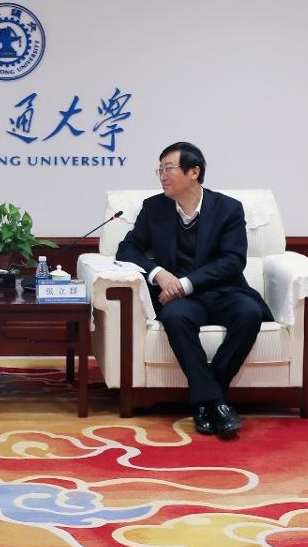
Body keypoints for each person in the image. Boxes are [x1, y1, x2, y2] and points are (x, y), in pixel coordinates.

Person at [116, 141, 272, 439]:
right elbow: (128, 249)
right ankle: (217, 404)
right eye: (159, 170)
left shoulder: (228, 208)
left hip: (224, 291)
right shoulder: (154, 208)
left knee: (250, 313)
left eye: (168, 169)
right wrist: (159, 274)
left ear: (194, 172)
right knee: (175, 317)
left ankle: (206, 401)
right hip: (181, 301)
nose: (162, 176)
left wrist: (184, 284)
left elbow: (233, 261)